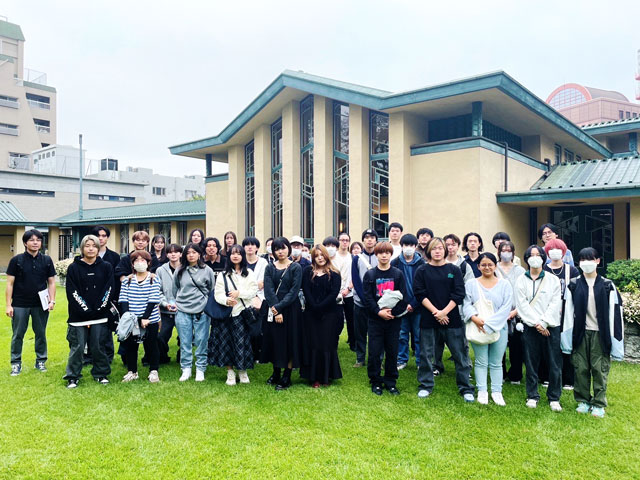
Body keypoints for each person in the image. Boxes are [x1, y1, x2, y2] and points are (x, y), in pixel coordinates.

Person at [563, 248, 624, 418]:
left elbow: (615, 315)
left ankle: (598, 403)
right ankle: (583, 400)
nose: (586, 263)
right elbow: (567, 313)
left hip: (600, 334)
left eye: (590, 259)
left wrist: (616, 342)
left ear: (598, 261)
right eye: (582, 259)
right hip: (580, 334)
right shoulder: (573, 284)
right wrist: (566, 339)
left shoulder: (607, 285)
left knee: (599, 369)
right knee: (580, 368)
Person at [413, 238, 475, 402]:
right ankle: (426, 385)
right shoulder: (422, 270)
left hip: (452, 319)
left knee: (460, 354)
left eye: (440, 248)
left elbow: (459, 293)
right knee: (426, 354)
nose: (437, 251)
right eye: (434, 248)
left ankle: (465, 387)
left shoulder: (453, 270)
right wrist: (436, 312)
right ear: (429, 251)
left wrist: (444, 312)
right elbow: (419, 293)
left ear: (445, 250)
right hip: (429, 318)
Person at [515, 245, 563, 412]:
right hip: (530, 327)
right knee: (531, 362)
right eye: (531, 255)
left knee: (554, 363)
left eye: (538, 255)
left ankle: (554, 397)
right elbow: (522, 305)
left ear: (543, 258)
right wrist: (536, 323)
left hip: (551, 326)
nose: (535, 258)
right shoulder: (521, 280)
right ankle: (532, 395)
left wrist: (544, 323)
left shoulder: (552, 279)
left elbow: (555, 303)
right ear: (526, 258)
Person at [63, 235, 113, 388]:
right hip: (78, 316)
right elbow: (72, 292)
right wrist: (85, 310)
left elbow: (109, 289)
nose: (91, 249)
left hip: (100, 315)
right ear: (82, 248)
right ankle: (73, 376)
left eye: (94, 246)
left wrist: (98, 309)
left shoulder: (106, 266)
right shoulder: (73, 268)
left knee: (98, 346)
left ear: (98, 248)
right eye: (87, 246)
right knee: (77, 347)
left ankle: (101, 373)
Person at [463, 253, 513, 406]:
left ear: (495, 266)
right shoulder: (471, 284)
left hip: (499, 328)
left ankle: (497, 392)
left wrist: (489, 324)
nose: (487, 267)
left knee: (496, 362)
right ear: (478, 267)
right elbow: (466, 303)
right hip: (478, 326)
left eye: (490, 264)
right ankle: (482, 391)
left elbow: (506, 307)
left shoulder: (504, 284)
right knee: (481, 361)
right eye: (483, 265)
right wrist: (475, 318)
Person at [5, 229, 56, 376]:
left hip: (41, 304)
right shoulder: (16, 260)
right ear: (25, 243)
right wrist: (8, 305)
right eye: (32, 240)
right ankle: (16, 363)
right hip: (20, 303)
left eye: (38, 240)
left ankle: (41, 361)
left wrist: (52, 300)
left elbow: (51, 282)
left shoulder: (47, 260)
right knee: (18, 334)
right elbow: (9, 284)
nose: (35, 243)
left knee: (40, 333)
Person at [363, 242, 408, 395]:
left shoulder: (397, 274)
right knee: (375, 352)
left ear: (391, 254)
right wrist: (378, 312)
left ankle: (391, 381)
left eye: (387, 253)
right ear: (376, 255)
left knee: (392, 351)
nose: (384, 255)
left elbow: (404, 296)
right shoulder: (370, 275)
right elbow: (367, 298)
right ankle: (375, 381)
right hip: (375, 320)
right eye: (381, 253)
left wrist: (393, 313)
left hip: (393, 320)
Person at [210, 244, 259, 385]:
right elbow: (218, 293)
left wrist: (239, 293)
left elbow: (253, 291)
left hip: (242, 313)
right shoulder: (223, 275)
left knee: (241, 342)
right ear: (229, 256)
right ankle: (230, 372)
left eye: (238, 253)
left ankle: (242, 371)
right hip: (226, 314)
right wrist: (226, 300)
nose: (235, 256)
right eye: (232, 253)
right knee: (225, 343)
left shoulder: (249, 273)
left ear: (242, 256)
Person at [261, 237, 303, 390]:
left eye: (283, 248)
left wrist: (279, 307)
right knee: (275, 341)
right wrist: (275, 309)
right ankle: (276, 372)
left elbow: (293, 291)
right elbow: (268, 290)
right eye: (277, 249)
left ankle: (287, 375)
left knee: (290, 341)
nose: (280, 251)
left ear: (288, 249)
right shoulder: (269, 267)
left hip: (291, 310)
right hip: (274, 309)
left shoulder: (296, 267)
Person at [300, 245, 343, 387]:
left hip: (329, 314)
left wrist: (320, 307)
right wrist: (314, 306)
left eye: (322, 255)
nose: (320, 258)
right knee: (313, 343)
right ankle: (313, 377)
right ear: (313, 257)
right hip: (310, 314)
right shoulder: (307, 272)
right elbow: (306, 290)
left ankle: (326, 376)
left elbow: (333, 293)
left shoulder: (335, 273)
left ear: (326, 256)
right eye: (316, 255)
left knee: (326, 344)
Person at [173, 242, 216, 382]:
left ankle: (200, 368)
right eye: (188, 253)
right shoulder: (180, 270)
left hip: (202, 310)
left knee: (201, 340)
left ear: (199, 254)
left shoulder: (207, 270)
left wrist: (205, 305)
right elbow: (175, 289)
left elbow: (211, 289)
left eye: (194, 252)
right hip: (182, 309)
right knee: (185, 341)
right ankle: (186, 368)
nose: (191, 255)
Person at [119, 251, 162, 383]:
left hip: (150, 319)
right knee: (131, 346)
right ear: (132, 264)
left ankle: (153, 371)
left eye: (143, 260)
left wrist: (145, 317)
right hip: (132, 319)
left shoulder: (153, 279)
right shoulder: (127, 280)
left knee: (151, 345)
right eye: (136, 260)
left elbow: (153, 299)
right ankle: (132, 371)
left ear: (148, 263)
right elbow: (123, 299)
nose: (139, 263)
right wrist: (127, 317)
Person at [543, 238, 580, 391]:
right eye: (551, 249)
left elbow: (576, 291)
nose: (555, 252)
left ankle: (568, 379)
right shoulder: (544, 269)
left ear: (564, 252)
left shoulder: (572, 270)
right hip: (547, 312)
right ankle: (546, 376)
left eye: (558, 249)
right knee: (547, 345)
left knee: (566, 344)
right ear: (547, 252)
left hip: (566, 313)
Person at [391, 234, 425, 370]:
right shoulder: (395, 263)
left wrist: (413, 304)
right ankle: (401, 360)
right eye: (406, 245)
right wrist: (404, 304)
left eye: (411, 245)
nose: (408, 248)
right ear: (401, 246)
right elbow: (393, 286)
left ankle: (420, 361)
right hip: (401, 305)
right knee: (402, 335)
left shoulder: (422, 264)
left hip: (418, 305)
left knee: (418, 335)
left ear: (415, 246)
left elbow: (424, 286)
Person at [496, 241, 526, 385]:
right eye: (504, 250)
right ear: (499, 252)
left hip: (516, 313)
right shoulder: (494, 268)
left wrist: (515, 311)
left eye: (509, 250)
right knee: (498, 346)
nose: (506, 253)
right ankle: (500, 373)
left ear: (513, 253)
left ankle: (515, 375)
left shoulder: (520, 271)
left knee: (517, 346)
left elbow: (524, 293)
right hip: (498, 312)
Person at [351, 229, 379, 368]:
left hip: (378, 302)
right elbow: (356, 280)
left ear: (376, 240)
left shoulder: (380, 256)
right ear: (363, 240)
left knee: (377, 333)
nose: (369, 240)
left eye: (372, 237)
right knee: (360, 332)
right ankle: (360, 358)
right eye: (367, 237)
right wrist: (364, 299)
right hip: (360, 302)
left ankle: (377, 359)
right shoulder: (357, 258)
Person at [242, 236, 269, 359]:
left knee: (257, 329)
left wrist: (253, 293)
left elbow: (263, 282)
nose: (250, 247)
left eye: (253, 245)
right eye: (247, 245)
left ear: (257, 248)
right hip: (243, 299)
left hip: (260, 298)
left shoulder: (263, 263)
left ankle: (258, 353)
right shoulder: (240, 261)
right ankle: (247, 353)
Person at [156, 243, 182, 364]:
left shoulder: (185, 269)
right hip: (165, 311)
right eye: (170, 252)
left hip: (182, 310)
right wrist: (165, 303)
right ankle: (163, 356)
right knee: (161, 336)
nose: (173, 254)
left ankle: (181, 357)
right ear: (166, 255)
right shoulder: (160, 270)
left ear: (180, 254)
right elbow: (157, 290)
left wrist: (180, 304)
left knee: (184, 337)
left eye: (176, 252)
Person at [335, 232, 354, 350]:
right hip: (336, 294)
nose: (344, 242)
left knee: (351, 320)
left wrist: (348, 289)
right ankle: (334, 342)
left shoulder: (352, 257)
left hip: (349, 293)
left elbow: (355, 276)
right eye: (342, 240)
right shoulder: (333, 257)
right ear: (338, 241)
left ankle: (353, 343)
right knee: (337, 320)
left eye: (347, 240)